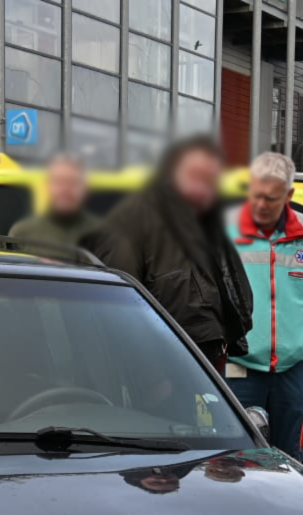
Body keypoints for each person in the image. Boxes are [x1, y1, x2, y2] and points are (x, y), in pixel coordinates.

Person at [87, 135, 252, 374]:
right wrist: (154, 382)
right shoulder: (132, 221)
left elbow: (232, 288)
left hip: (206, 355)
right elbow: (117, 305)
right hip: (162, 361)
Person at [225, 152, 303, 461]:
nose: (261, 205)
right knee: (235, 459)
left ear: (288, 195)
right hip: (240, 366)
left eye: (272, 198)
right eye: (256, 195)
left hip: (293, 367)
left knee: (291, 460)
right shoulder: (226, 230)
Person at [10, 154, 99, 253]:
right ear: (48, 186)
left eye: (72, 182)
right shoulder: (22, 233)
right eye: (59, 181)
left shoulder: (103, 235)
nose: (65, 189)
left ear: (85, 188)